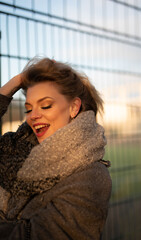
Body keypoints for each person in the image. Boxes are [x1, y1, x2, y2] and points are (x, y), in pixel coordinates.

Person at [0, 57, 112, 240]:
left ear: (73, 107)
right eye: (28, 109)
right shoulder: (14, 148)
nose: (33, 116)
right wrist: (14, 83)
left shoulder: (91, 176)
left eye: (45, 105)